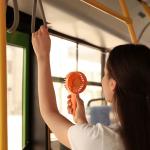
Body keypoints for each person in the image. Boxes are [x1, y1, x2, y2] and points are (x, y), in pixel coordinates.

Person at [32, 25, 150, 150]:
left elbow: (49, 113)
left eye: (105, 74)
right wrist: (82, 123)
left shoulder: (102, 139)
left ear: (112, 84)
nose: (102, 79)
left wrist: (42, 56)